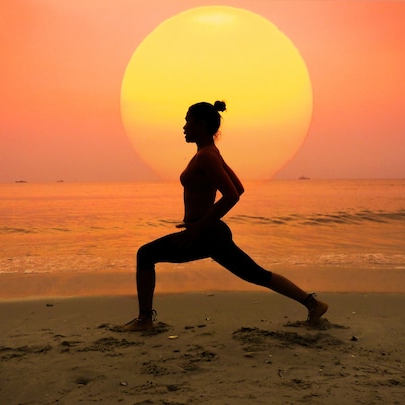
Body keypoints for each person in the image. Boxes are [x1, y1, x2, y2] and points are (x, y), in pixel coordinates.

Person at [122, 100, 328, 331]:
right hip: (210, 233)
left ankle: (145, 320)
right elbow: (239, 188)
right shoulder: (210, 153)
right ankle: (312, 303)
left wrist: (198, 228)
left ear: (200, 124)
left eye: (187, 121)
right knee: (255, 274)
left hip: (206, 234)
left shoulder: (206, 157)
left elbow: (232, 195)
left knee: (146, 254)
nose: (184, 127)